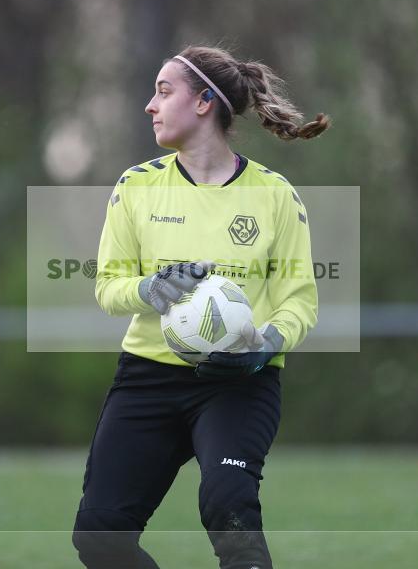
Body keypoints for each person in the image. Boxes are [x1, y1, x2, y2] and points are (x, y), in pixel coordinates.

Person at [71, 46, 327, 568]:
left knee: (229, 509)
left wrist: (263, 347)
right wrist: (151, 290)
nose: (150, 105)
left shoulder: (275, 195)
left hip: (239, 381)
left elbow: (299, 300)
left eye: (164, 92)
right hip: (147, 377)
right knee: (100, 538)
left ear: (206, 102)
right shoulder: (136, 186)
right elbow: (109, 288)